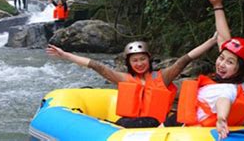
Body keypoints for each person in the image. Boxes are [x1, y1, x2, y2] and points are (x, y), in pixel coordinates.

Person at [46, 35, 217, 128]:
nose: (139, 63)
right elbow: (96, 66)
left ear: (149, 60)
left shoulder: (162, 77)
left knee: (153, 121)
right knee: (127, 123)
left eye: (142, 59)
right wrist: (65, 55)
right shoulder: (123, 79)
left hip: (157, 127)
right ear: (129, 63)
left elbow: (184, 60)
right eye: (135, 60)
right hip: (129, 127)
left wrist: (211, 41)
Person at [165, 0, 244, 140]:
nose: (222, 64)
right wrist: (218, 6)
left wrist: (221, 119)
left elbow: (224, 101)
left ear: (243, 69)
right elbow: (224, 39)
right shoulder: (235, 82)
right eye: (221, 58)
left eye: (230, 62)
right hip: (179, 123)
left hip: (187, 132)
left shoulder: (228, 90)